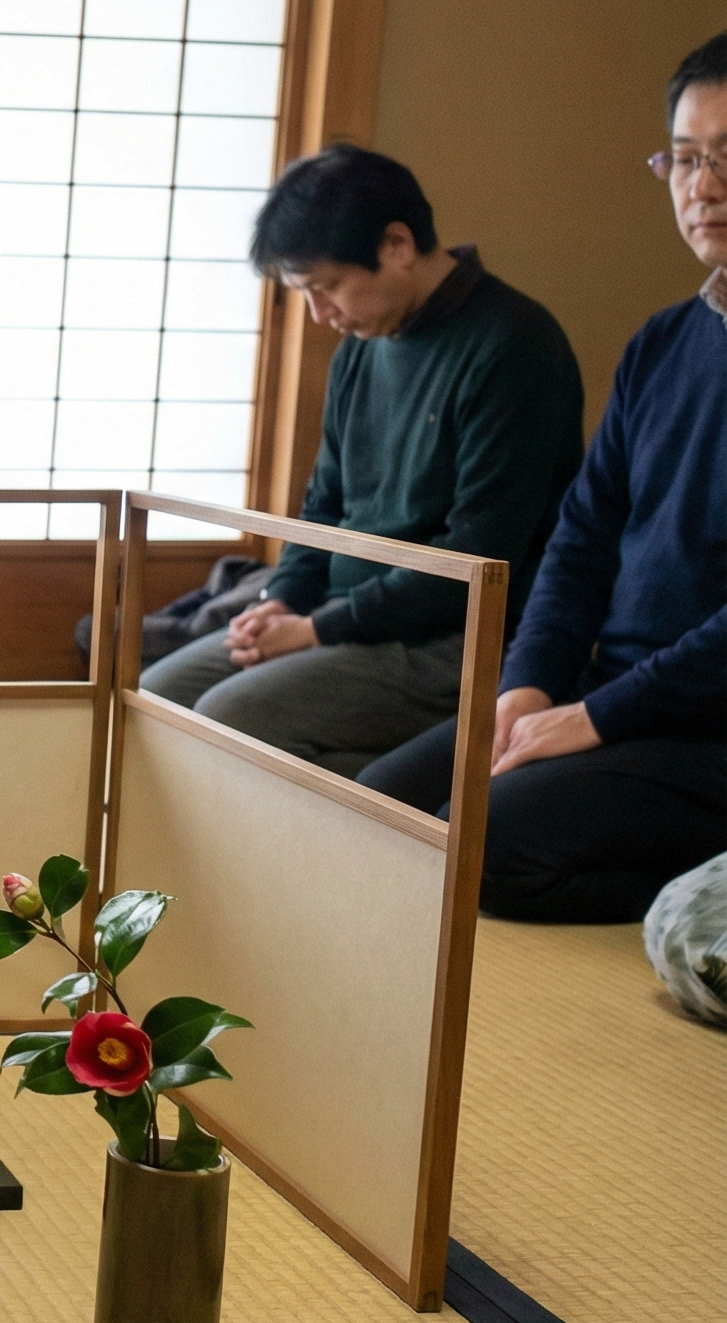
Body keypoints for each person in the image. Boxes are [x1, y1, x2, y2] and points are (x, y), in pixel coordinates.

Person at [361, 35, 727, 925]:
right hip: (614, 689)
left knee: (483, 850)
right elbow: (583, 538)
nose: (702, 185)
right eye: (684, 157)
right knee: (384, 804)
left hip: (706, 724)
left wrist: (595, 717)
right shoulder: (665, 339)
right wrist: (524, 687)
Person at [140, 146, 583, 777]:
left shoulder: (513, 348)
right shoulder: (363, 346)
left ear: (398, 244)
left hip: (454, 638)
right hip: (344, 620)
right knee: (159, 696)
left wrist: (317, 630)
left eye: (327, 287)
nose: (322, 315)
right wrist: (284, 599)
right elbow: (324, 504)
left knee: (230, 716)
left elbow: (474, 560)